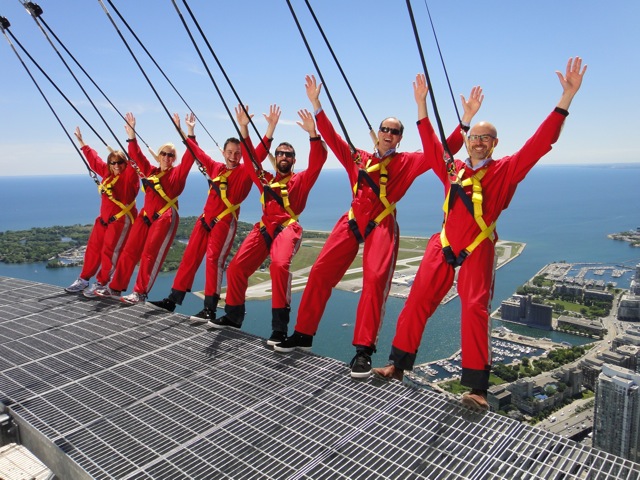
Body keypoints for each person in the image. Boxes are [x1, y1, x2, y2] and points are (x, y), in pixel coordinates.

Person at [373, 57, 587, 410]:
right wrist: (422, 105)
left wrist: (565, 101)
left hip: (478, 247)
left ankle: (476, 389)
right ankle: (398, 365)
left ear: (495, 143)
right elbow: (430, 146)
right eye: (474, 138)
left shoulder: (505, 171)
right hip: (442, 244)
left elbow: (539, 144)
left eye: (485, 139)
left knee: (474, 309)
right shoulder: (452, 169)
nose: (478, 143)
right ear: (468, 141)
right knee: (416, 302)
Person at [274, 75, 481, 379]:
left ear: (399, 138)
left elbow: (441, 151)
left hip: (382, 224)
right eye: (385, 129)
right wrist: (317, 105)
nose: (388, 134)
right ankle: (303, 333)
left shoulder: (407, 162)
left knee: (374, 281)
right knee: (319, 272)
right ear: (378, 132)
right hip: (351, 221)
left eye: (394, 131)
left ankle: (363, 351)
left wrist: (465, 120)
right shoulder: (358, 158)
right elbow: (333, 139)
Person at [148, 105, 281, 322]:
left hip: (224, 221)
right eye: (229, 152)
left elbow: (257, 155)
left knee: (213, 261)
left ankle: (209, 308)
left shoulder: (245, 171)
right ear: (223, 152)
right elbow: (197, 153)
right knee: (190, 257)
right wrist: (188, 132)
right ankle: (173, 299)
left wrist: (269, 130)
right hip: (205, 220)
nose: (233, 156)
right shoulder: (215, 167)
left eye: (237, 153)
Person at [209, 106, 327, 345]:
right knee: (236, 269)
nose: (284, 157)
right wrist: (245, 128)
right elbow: (252, 160)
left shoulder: (301, 180)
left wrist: (313, 134)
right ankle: (233, 316)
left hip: (287, 228)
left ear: (294, 160)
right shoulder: (265, 180)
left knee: (279, 266)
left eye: (289, 155)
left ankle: (279, 329)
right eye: (280, 154)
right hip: (263, 228)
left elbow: (319, 160)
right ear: (277, 158)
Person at [96, 112, 196, 304]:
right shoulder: (150, 171)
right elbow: (136, 156)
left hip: (165, 215)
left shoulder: (177, 174)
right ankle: (115, 288)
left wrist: (189, 132)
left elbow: (191, 157)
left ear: (174, 158)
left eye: (171, 155)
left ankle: (140, 292)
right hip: (145, 215)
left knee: (150, 254)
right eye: (164, 154)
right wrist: (132, 134)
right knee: (130, 250)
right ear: (159, 156)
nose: (167, 157)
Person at [64, 127, 139, 297]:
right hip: (104, 220)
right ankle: (83, 279)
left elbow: (134, 163)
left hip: (121, 220)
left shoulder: (129, 178)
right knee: (93, 249)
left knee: (110, 252)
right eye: (113, 163)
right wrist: (83, 143)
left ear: (125, 164)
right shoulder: (107, 174)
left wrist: (131, 138)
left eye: (120, 162)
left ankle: (102, 283)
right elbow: (94, 160)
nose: (116, 166)